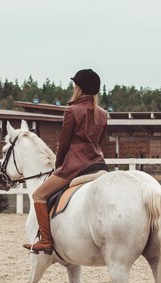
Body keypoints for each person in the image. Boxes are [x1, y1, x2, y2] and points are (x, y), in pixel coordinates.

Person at [23, 68, 108, 252]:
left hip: (75, 167)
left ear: (79, 87)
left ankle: (45, 240)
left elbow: (63, 144)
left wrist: (58, 166)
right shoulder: (102, 114)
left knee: (38, 195)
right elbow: (99, 144)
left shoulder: (72, 110)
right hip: (98, 165)